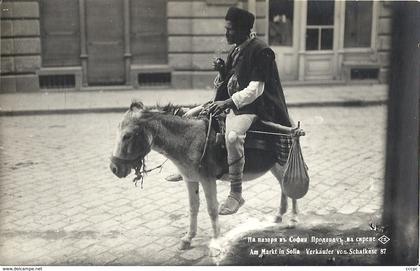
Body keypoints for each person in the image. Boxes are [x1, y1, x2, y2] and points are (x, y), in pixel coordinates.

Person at [178, 7, 300, 215]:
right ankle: (190, 169)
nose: (227, 34)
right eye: (226, 29)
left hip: (254, 108)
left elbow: (256, 89)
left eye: (231, 30)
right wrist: (221, 73)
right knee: (189, 116)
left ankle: (236, 193)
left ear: (244, 29)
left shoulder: (262, 51)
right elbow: (229, 82)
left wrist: (227, 104)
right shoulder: (236, 49)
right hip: (231, 102)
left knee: (233, 137)